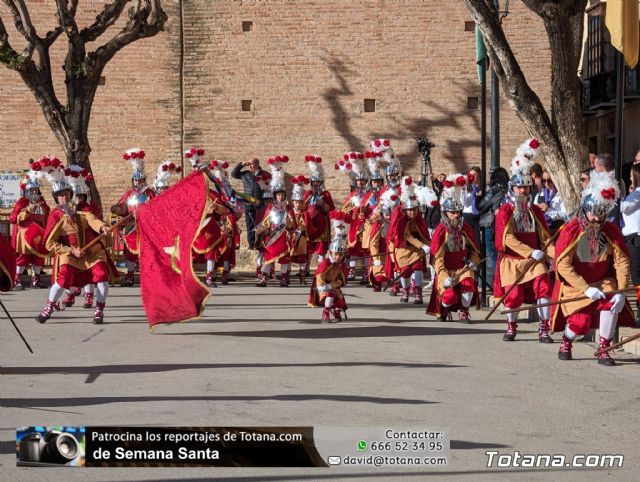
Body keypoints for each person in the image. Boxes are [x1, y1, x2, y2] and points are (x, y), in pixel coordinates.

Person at [551, 171, 636, 365]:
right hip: (577, 285)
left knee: (612, 302)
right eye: (593, 215)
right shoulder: (571, 230)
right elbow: (562, 265)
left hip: (603, 280)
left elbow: (621, 261)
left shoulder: (611, 230)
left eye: (601, 216)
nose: (597, 220)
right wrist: (585, 288)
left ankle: (604, 347)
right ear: (586, 209)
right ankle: (566, 340)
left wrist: (621, 290)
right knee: (580, 325)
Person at [36, 163, 116, 324]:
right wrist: (71, 251)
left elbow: (92, 220)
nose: (64, 197)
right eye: (60, 195)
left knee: (101, 275)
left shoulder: (80, 209)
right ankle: (49, 307)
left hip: (92, 251)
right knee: (63, 277)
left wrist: (102, 227)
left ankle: (99, 310)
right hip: (70, 254)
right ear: (56, 197)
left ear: (71, 194)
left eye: (66, 193)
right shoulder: (55, 215)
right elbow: (49, 243)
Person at [494, 138, 555, 343]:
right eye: (520, 188)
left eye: (526, 188)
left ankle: (544, 328)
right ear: (513, 188)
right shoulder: (505, 211)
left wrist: (555, 255)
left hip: (535, 260)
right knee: (513, 296)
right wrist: (530, 251)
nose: (523, 191)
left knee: (544, 286)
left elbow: (545, 237)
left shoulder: (535, 210)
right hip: (513, 260)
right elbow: (507, 238)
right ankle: (511, 326)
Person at [427, 174, 480, 322]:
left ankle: (464, 311)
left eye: (458, 212)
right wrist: (443, 277)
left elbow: (474, 251)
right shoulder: (440, 231)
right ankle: (444, 308)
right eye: (453, 212)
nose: (456, 215)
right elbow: (437, 259)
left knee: (469, 283)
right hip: (446, 270)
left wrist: (472, 262)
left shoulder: (466, 228)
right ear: (445, 212)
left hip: (462, 268)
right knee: (448, 296)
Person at [110, 148, 156, 287]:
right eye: (135, 180)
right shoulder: (129, 193)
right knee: (129, 252)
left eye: (140, 180)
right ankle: (130, 276)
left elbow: (155, 208)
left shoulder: (149, 193)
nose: (137, 182)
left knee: (147, 252)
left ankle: (149, 277)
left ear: (143, 180)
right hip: (131, 226)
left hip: (147, 227)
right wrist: (116, 209)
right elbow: (123, 207)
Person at [61, 165, 102, 309]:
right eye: (76, 196)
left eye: (81, 196)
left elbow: (95, 220)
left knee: (89, 273)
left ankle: (89, 297)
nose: (79, 199)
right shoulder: (68, 209)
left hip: (89, 243)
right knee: (71, 272)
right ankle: (70, 294)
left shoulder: (89, 208)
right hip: (73, 245)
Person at [386, 176, 432, 303]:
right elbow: (406, 236)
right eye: (409, 210)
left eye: (414, 210)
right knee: (405, 272)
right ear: (405, 211)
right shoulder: (401, 222)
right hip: (403, 249)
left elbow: (424, 235)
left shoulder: (420, 221)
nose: (412, 213)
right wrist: (422, 246)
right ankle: (405, 291)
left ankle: (418, 291)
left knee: (418, 268)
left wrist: (430, 245)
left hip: (417, 250)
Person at [255, 156, 296, 287]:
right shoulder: (270, 208)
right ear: (275, 195)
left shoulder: (288, 208)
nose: (280, 196)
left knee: (284, 259)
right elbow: (266, 222)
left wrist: (290, 225)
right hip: (272, 236)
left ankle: (284, 278)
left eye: (282, 194)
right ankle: (264, 279)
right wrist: (261, 228)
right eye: (278, 194)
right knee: (268, 257)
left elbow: (293, 222)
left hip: (283, 236)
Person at [10, 159, 51, 290]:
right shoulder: (22, 202)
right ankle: (16, 280)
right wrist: (27, 211)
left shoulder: (42, 201)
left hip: (39, 233)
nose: (34, 192)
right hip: (25, 234)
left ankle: (36, 280)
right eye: (32, 190)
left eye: (36, 190)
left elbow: (47, 214)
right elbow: (13, 218)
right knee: (23, 257)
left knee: (38, 258)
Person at [337, 152, 373, 283]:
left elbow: (374, 208)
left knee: (365, 249)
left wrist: (367, 214)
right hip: (354, 224)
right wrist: (342, 216)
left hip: (366, 223)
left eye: (363, 181)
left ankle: (365, 272)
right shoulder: (353, 195)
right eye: (359, 181)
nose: (361, 183)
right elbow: (346, 209)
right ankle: (351, 270)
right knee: (353, 248)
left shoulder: (370, 194)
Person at [308, 210, 350, 322]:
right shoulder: (326, 263)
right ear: (331, 252)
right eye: (336, 254)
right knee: (330, 294)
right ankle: (326, 311)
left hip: (332, 286)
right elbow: (319, 276)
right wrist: (324, 286)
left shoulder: (341, 265)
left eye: (340, 255)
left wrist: (333, 285)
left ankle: (335, 310)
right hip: (322, 288)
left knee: (339, 298)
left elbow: (342, 280)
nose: (338, 257)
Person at [476, 167, 509, 289]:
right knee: (500, 255)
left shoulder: (494, 190)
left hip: (490, 224)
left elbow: (481, 205)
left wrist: (478, 196)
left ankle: (498, 285)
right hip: (502, 226)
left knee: (491, 256)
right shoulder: (507, 190)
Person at [303, 156, 335, 271]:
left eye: (318, 182)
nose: (316, 184)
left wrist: (323, 205)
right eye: (314, 182)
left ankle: (320, 269)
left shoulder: (326, 194)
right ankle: (306, 268)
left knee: (321, 249)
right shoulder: (307, 194)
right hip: (310, 226)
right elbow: (303, 208)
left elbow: (331, 210)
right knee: (309, 248)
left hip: (322, 225)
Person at [231, 157, 265, 249]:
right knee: (250, 225)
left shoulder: (265, 175)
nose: (250, 166)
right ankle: (251, 245)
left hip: (260, 204)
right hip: (248, 204)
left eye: (252, 164)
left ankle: (260, 244)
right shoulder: (245, 174)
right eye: (249, 164)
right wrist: (242, 164)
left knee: (261, 225)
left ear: (258, 164)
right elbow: (233, 174)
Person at [621, 164, 640, 327]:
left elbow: (624, 208)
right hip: (631, 238)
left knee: (637, 277)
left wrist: (614, 196)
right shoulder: (635, 193)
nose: (630, 178)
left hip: (635, 239)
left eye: (632, 175)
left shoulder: (638, 194)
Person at [290, 177, 310, 284]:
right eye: (296, 202)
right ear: (293, 202)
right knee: (289, 255)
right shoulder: (289, 213)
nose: (298, 204)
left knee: (302, 257)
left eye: (300, 202)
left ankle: (302, 277)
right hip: (292, 237)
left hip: (302, 238)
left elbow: (308, 225)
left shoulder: (305, 214)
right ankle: (286, 275)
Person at [462, 166, 482, 245]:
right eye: (470, 175)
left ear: (479, 175)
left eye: (474, 175)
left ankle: (477, 255)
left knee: (477, 238)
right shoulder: (467, 186)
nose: (472, 177)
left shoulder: (481, 186)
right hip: (468, 214)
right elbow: (463, 202)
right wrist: (463, 189)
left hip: (478, 214)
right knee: (468, 238)